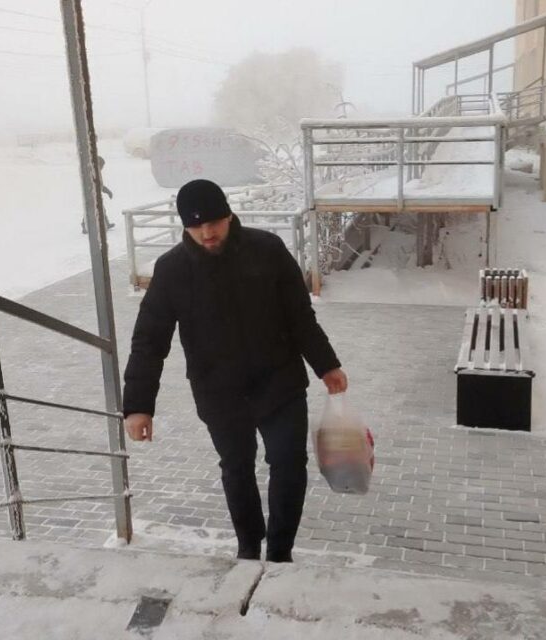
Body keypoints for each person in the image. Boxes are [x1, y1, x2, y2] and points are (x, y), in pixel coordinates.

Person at [122, 178, 348, 563]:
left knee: (289, 462)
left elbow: (299, 316)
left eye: (214, 221)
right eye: (196, 226)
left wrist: (326, 365)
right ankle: (248, 545)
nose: (207, 232)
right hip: (219, 391)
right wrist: (138, 405)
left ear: (229, 214)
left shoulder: (268, 250)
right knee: (237, 467)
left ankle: (279, 551)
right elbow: (149, 340)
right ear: (184, 226)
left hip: (279, 383)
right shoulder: (172, 270)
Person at [82, 155, 115, 233]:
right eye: (102, 166)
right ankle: (84, 225)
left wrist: (107, 191)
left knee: (102, 209)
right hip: (91, 195)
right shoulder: (92, 173)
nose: (102, 168)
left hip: (96, 194)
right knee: (89, 210)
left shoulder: (97, 172)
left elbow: (100, 185)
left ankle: (106, 223)